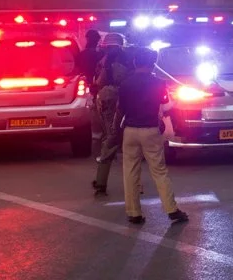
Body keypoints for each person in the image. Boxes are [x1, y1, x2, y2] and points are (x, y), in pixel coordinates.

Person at [116, 47, 188, 225]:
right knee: (159, 171)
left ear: (134, 62)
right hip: (150, 130)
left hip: (130, 131)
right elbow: (164, 106)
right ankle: (171, 210)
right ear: (152, 64)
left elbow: (121, 109)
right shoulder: (159, 83)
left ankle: (133, 212)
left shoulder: (125, 83)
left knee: (130, 171)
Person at [92, 35, 130, 196]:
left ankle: (101, 182)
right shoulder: (126, 62)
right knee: (128, 144)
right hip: (124, 103)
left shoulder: (103, 62)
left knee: (110, 139)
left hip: (106, 101)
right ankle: (135, 184)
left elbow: (97, 83)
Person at [77, 30, 104, 154]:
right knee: (100, 117)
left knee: (91, 116)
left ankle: (96, 143)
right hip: (98, 87)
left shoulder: (81, 55)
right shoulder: (102, 55)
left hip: (84, 87)